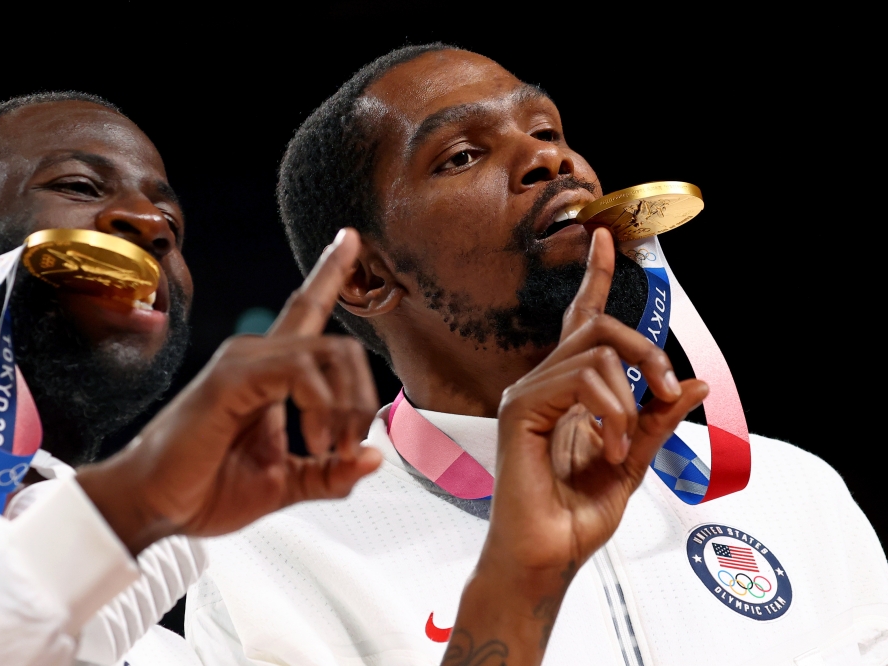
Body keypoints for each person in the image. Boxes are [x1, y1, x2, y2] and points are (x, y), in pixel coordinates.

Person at [188, 45, 888, 665]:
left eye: (547, 130)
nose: (549, 159)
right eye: (461, 155)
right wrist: (517, 584)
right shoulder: (273, 557)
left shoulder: (795, 495)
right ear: (367, 278)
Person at [0, 93, 384, 665]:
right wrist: (137, 508)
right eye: (77, 186)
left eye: (171, 222)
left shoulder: (162, 652)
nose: (153, 227)